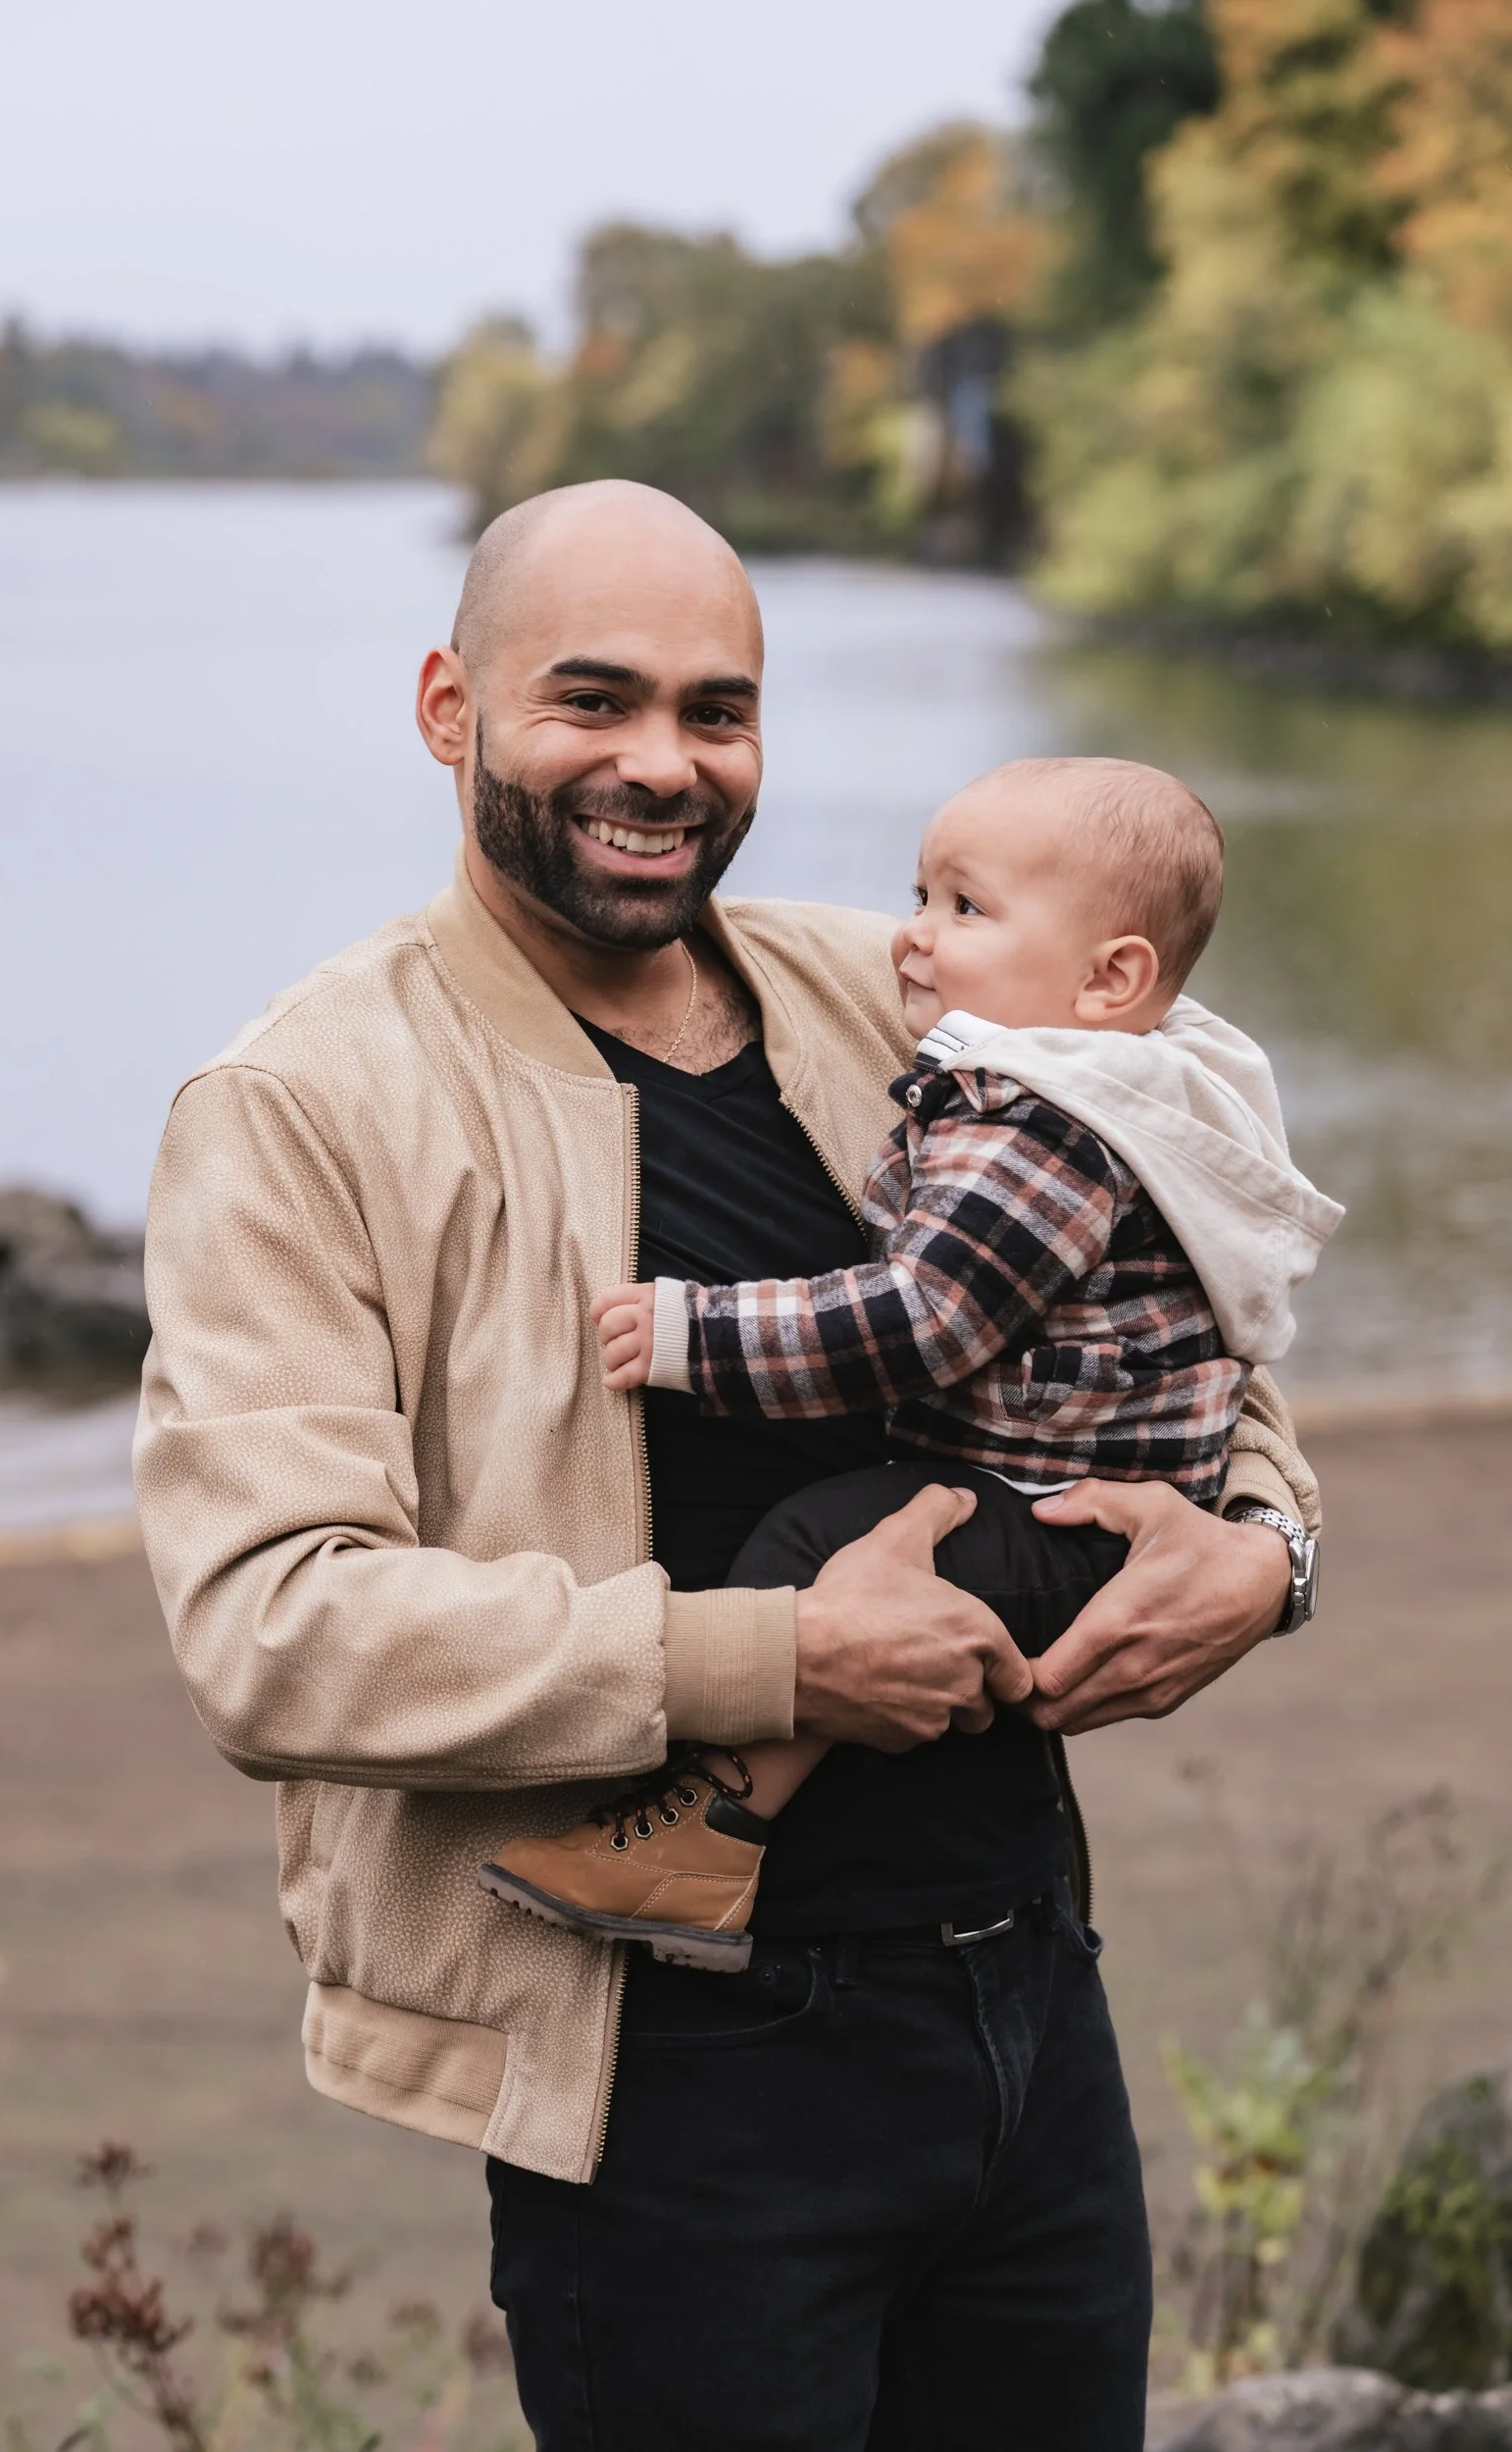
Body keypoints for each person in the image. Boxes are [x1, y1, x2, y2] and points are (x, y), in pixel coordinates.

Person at [135, 481, 1323, 2452]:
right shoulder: (302, 1104)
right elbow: (275, 1628)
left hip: (1022, 1993)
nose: (659, 764)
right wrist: (764, 1659)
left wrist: (1266, 1546)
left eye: (716, 709)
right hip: (669, 2076)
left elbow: (1194, 1266)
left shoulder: (900, 994)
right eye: (587, 699)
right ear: (447, 707)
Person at [478, 756, 1340, 1972]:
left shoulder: (1044, 1127)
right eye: (919, 894)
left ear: (1110, 979)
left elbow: (923, 1320)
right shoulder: (1115, 1086)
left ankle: (701, 1840)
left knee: (811, 1553)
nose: (910, 938)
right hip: (1060, 1496)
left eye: (964, 909)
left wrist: (695, 1337)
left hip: (1055, 1513)